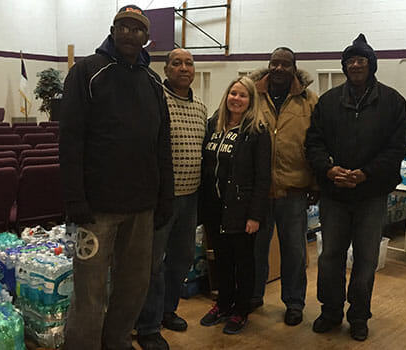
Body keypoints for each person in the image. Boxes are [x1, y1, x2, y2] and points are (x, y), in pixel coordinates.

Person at [59, 5, 173, 350]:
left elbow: (161, 143)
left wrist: (164, 197)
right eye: (123, 27)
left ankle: (118, 341)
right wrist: (75, 198)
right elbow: (71, 139)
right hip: (97, 209)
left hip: (142, 207)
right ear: (112, 30)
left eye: (137, 29)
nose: (130, 34)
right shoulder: (87, 72)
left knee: (133, 286)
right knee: (89, 290)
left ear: (146, 38)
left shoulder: (153, 81)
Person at [305, 33, 406, 341]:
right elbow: (313, 143)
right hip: (335, 194)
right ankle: (330, 311)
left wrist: (366, 173)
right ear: (344, 66)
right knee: (330, 257)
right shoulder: (328, 102)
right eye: (350, 61)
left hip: (371, 195)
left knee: (365, 259)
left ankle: (359, 316)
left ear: (372, 65)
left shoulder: (392, 102)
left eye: (361, 60)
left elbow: (397, 147)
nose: (355, 65)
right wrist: (328, 169)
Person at [136, 48, 208, 350]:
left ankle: (168, 311)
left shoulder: (202, 108)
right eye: (176, 63)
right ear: (165, 70)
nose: (183, 68)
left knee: (181, 260)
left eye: (189, 63)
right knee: (152, 265)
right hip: (160, 199)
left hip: (190, 198)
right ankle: (147, 326)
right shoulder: (155, 101)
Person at [248, 47, 318, 326]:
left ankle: (294, 302)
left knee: (294, 252)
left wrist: (316, 182)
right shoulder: (252, 95)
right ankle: (252, 296)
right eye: (274, 63)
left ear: (294, 68)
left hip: (294, 190)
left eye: (284, 64)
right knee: (255, 250)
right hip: (258, 191)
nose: (278, 69)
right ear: (268, 65)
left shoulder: (309, 101)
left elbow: (317, 144)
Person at [199, 76, 271, 335]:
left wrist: (255, 216)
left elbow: (263, 179)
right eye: (233, 93)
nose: (236, 99)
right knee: (222, 260)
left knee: (244, 262)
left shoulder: (257, 132)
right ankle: (223, 304)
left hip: (242, 210)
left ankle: (241, 310)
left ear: (251, 101)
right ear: (226, 95)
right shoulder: (213, 126)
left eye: (243, 95)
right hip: (214, 208)